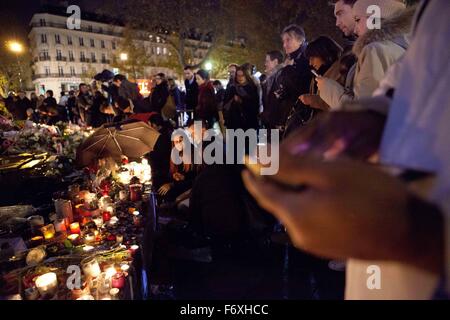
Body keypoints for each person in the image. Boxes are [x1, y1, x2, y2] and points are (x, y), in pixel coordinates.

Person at [243, 0, 450, 300]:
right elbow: (415, 78)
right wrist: (371, 116)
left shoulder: (374, 50)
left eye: (349, 15)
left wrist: (413, 232)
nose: (343, 23)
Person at [318, 0, 410, 108]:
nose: (356, 30)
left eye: (357, 20)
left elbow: (363, 111)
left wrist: (328, 89)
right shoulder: (406, 47)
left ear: (374, 17)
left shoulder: (375, 50)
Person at [299, 36, 344, 111]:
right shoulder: (318, 75)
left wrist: (313, 100)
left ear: (324, 53)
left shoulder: (341, 72)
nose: (310, 63)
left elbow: (340, 103)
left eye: (312, 58)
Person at [226, 66, 260, 131]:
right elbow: (227, 104)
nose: (240, 78)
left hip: (248, 124)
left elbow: (254, 106)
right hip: (234, 123)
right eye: (238, 75)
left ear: (246, 76)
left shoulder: (251, 88)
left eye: (242, 75)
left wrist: (241, 101)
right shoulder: (233, 88)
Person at [146, 113, 173, 192]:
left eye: (149, 124)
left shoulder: (160, 138)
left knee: (160, 192)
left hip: (162, 173)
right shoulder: (167, 132)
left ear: (154, 125)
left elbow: (158, 157)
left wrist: (149, 156)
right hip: (165, 170)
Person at [261, 50, 284, 128]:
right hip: (268, 122)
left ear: (275, 62)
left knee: (273, 140)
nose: (265, 64)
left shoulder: (282, 77)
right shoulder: (269, 78)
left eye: (267, 61)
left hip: (276, 124)